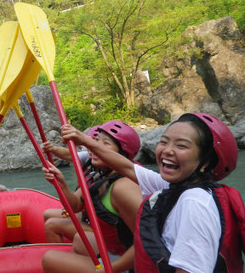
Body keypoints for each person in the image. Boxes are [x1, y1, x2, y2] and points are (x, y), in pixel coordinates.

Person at [59, 113, 245, 273]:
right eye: (163, 142)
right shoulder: (171, 186)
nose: (167, 151)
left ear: (205, 162)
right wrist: (84, 140)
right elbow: (126, 166)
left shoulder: (194, 203)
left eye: (181, 146)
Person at [42, 121, 143, 273]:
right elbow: (75, 205)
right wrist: (61, 184)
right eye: (95, 141)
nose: (94, 147)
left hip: (132, 265)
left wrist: (109, 269)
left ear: (122, 154)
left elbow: (145, 242)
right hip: (116, 250)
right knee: (78, 241)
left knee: (49, 258)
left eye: (105, 143)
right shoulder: (99, 174)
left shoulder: (125, 187)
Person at [42, 126, 99, 223]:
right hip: (84, 207)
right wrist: (52, 148)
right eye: (89, 147)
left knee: (52, 225)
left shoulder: (103, 171)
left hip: (91, 213)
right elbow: (71, 154)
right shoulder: (90, 157)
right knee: (47, 214)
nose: (90, 150)